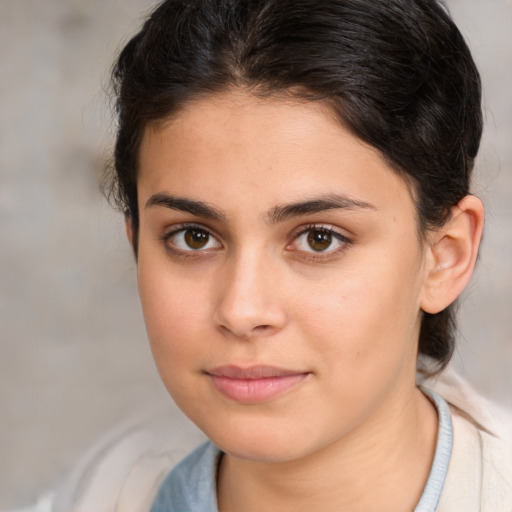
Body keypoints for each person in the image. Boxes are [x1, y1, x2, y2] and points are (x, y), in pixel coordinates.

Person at [39, 0, 512, 510]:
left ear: (444, 256)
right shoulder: (96, 495)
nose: (242, 311)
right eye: (193, 237)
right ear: (136, 243)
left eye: (319, 239)